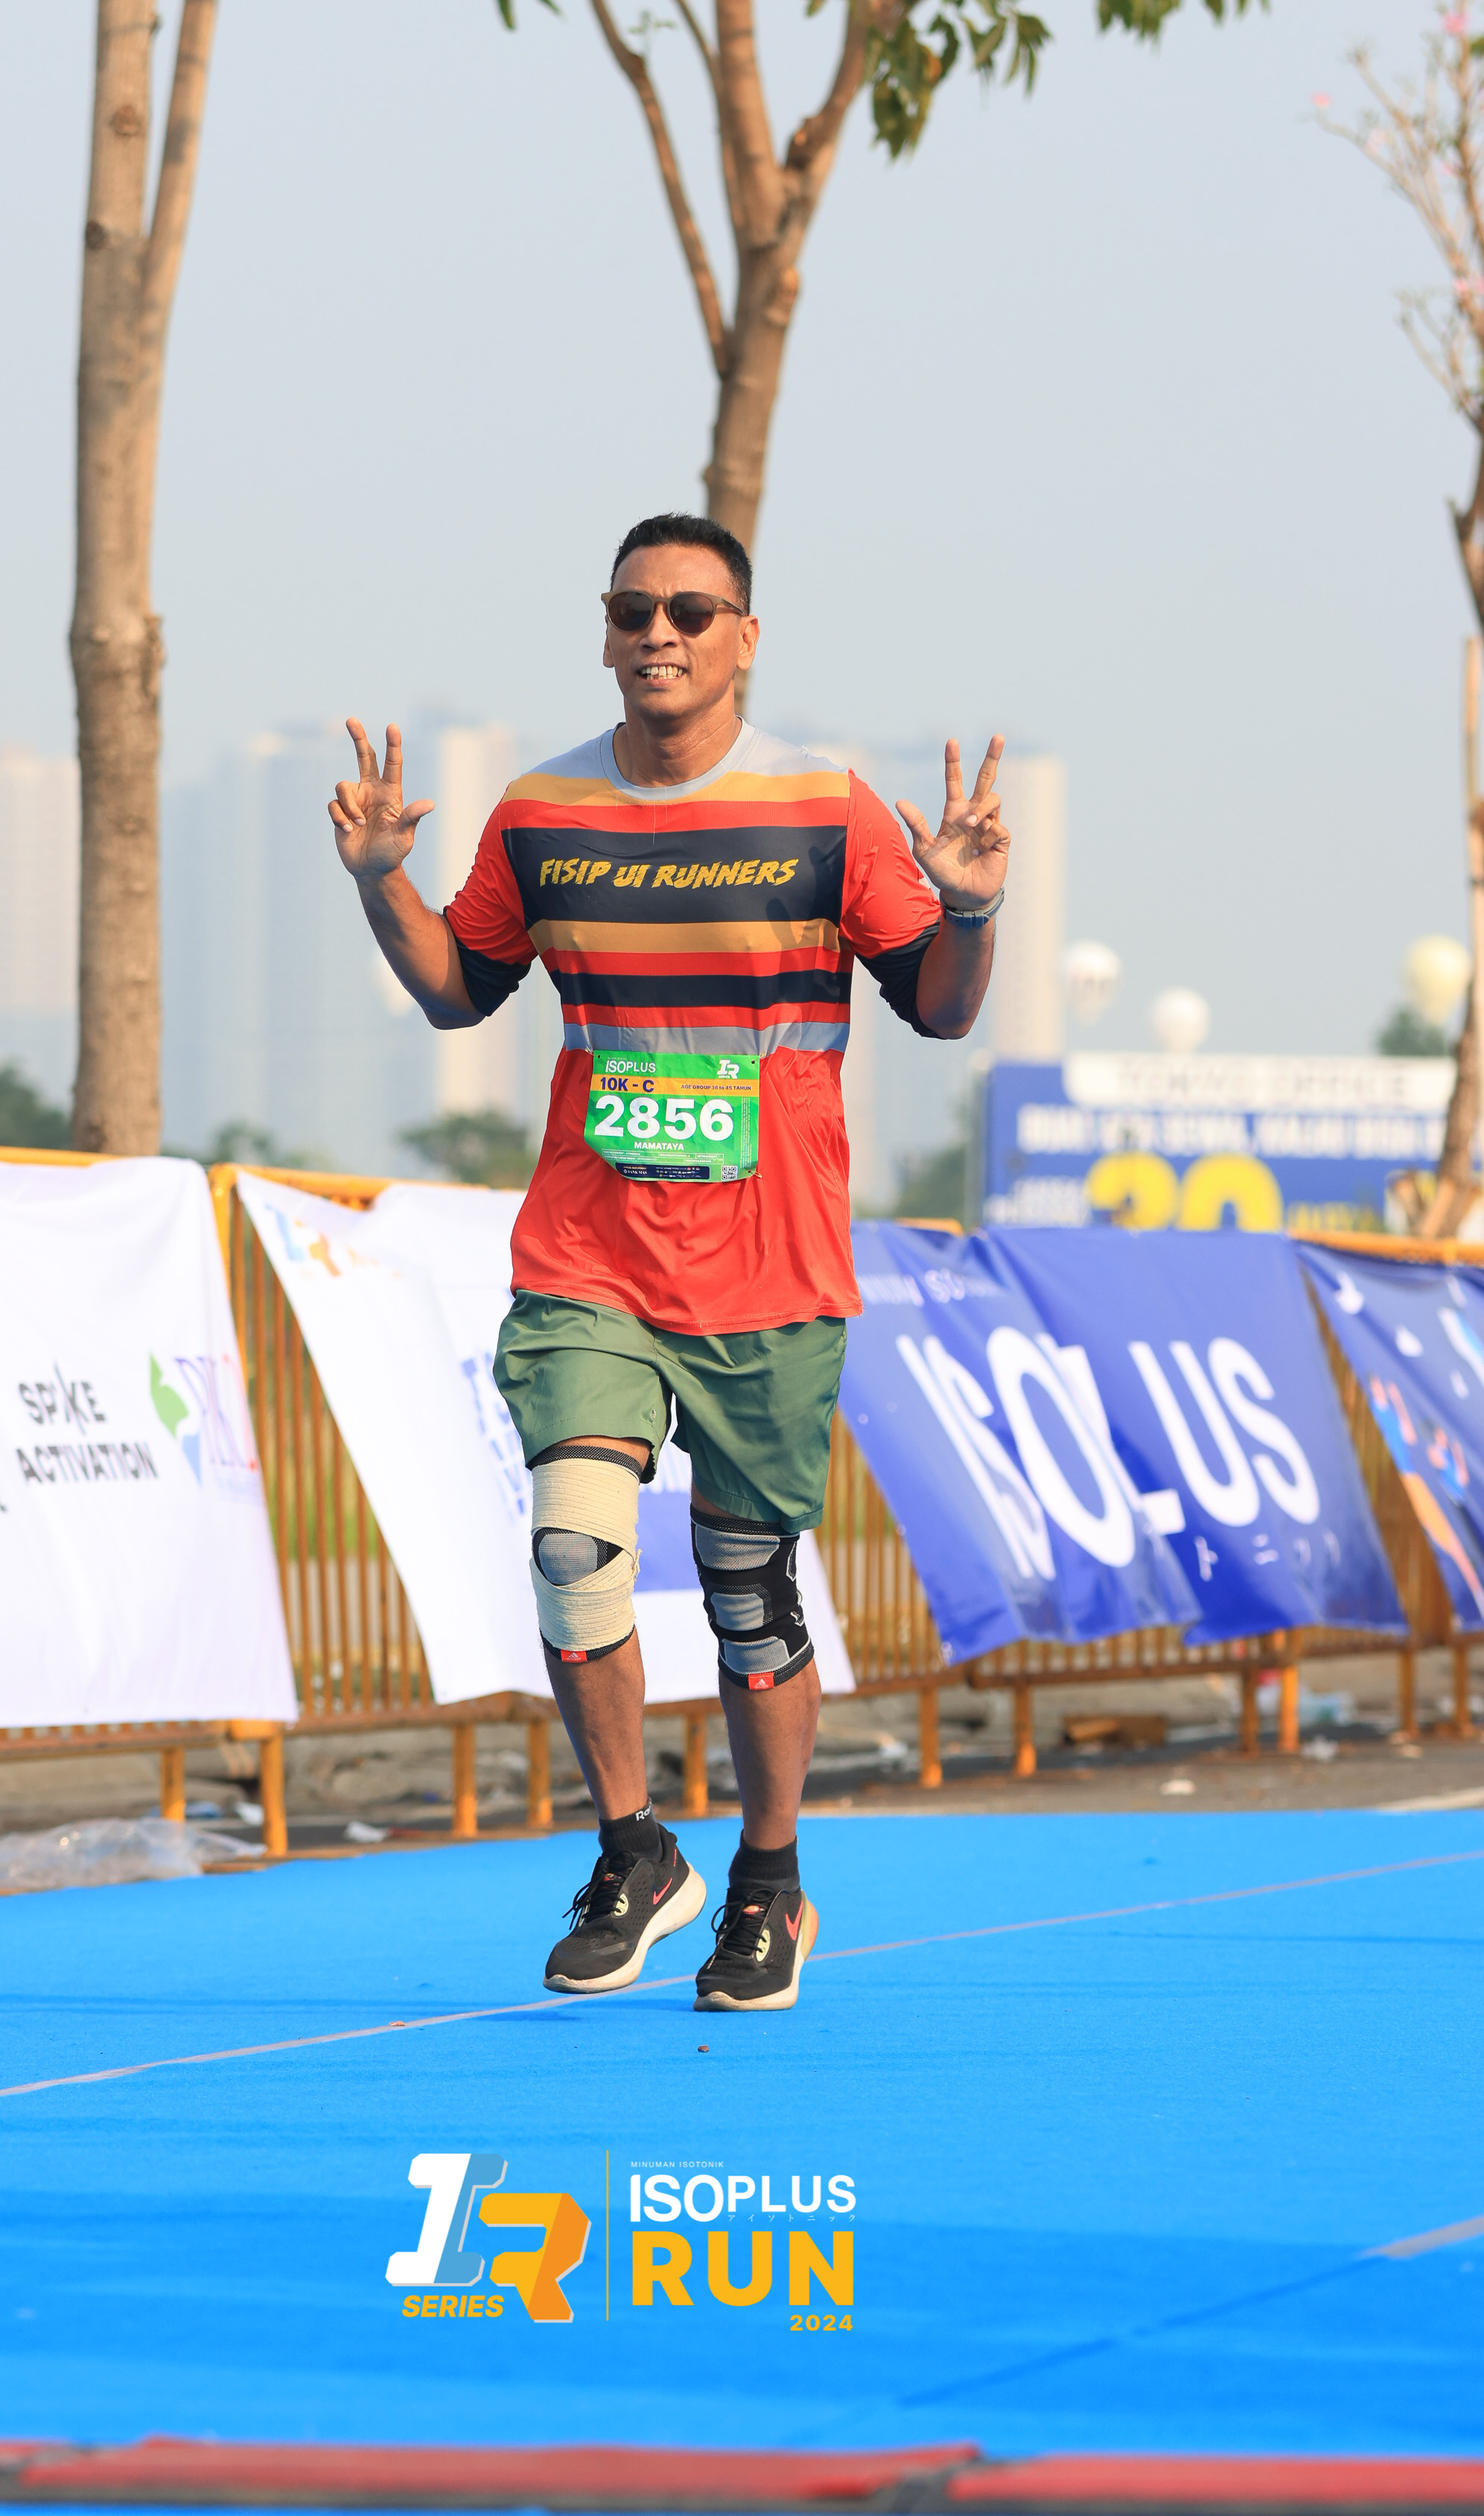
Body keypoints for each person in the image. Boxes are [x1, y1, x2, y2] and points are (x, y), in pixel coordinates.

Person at [331, 512, 1007, 2010]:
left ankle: (767, 1879)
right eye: (633, 608)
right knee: (574, 1548)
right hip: (590, 1251)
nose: (659, 633)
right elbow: (458, 990)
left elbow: (942, 1006)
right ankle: (634, 1849)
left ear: (743, 638)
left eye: (692, 612)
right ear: (603, 630)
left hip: (771, 1265)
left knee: (747, 1591)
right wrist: (381, 882)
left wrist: (965, 907)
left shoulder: (825, 807)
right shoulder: (540, 810)